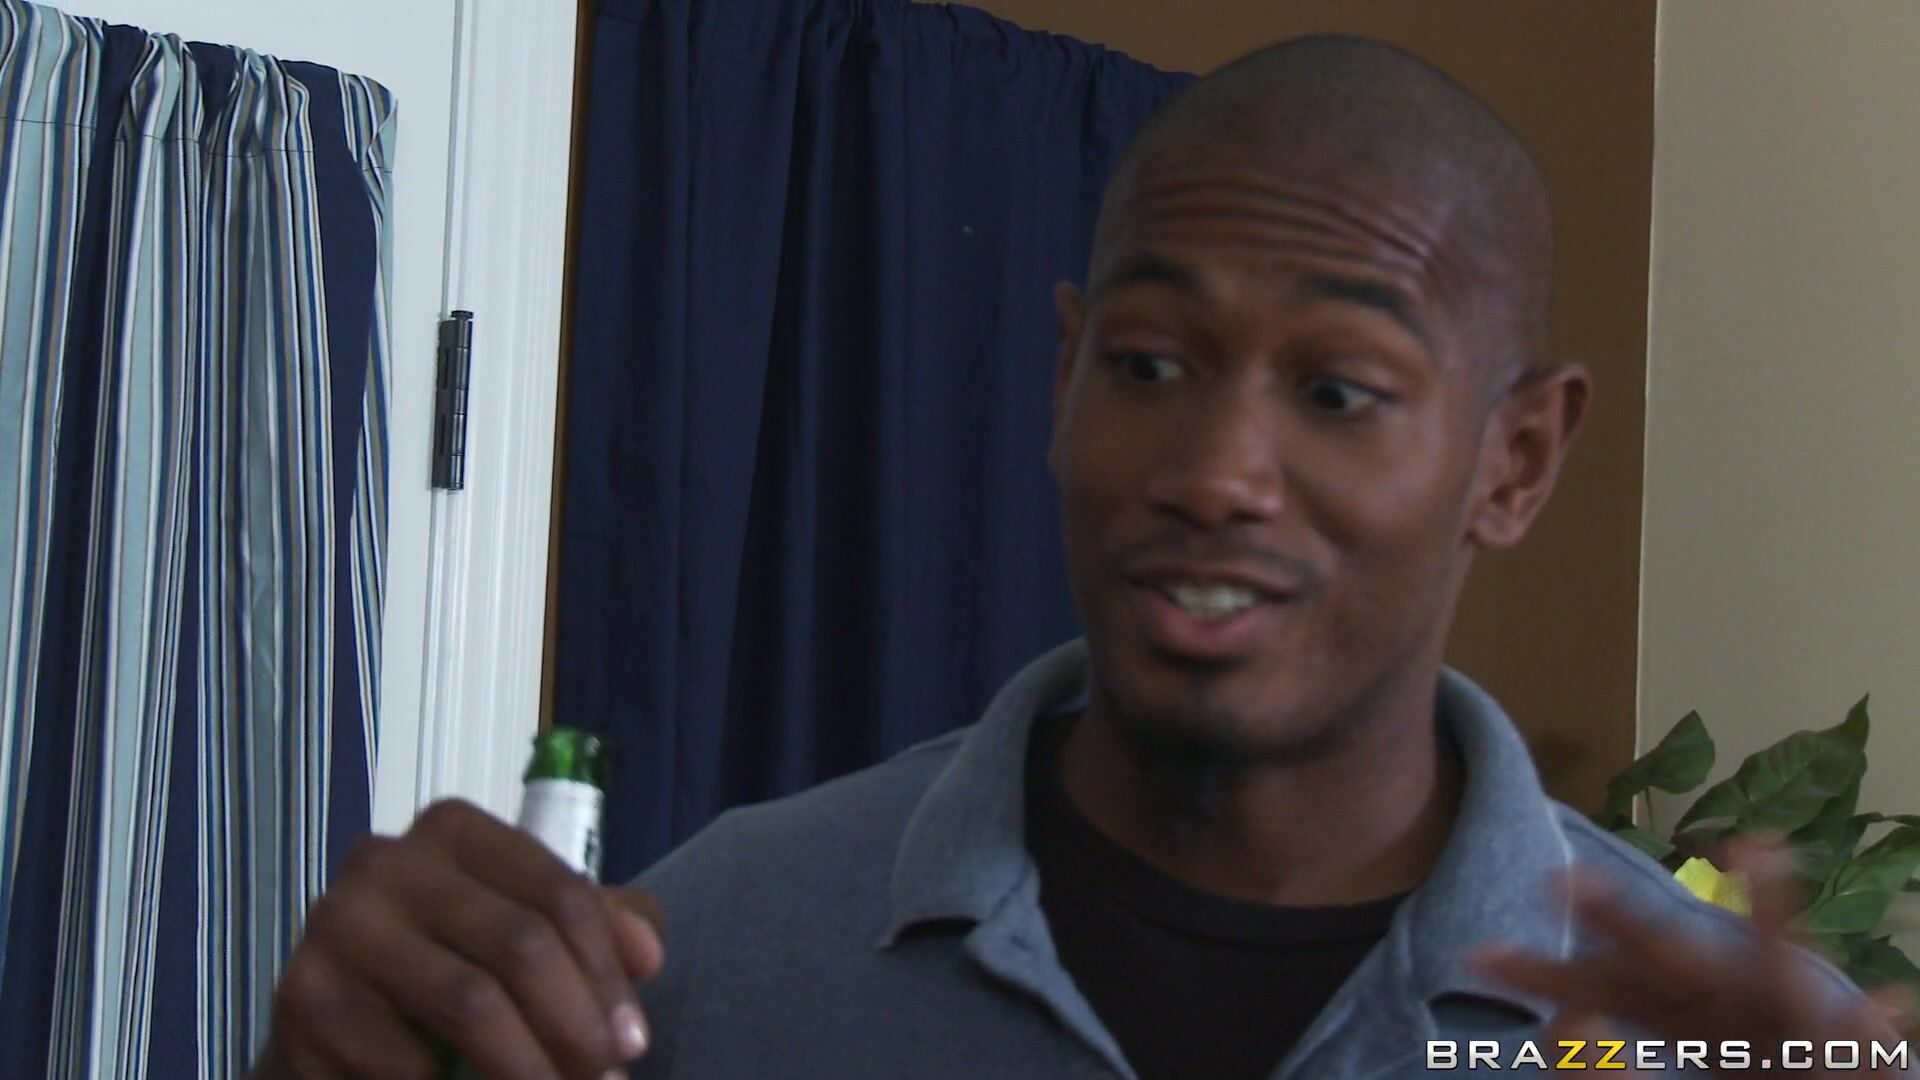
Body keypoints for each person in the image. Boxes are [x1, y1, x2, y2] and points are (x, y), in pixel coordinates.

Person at [255, 35, 1914, 1079]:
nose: (1215, 472)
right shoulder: (708, 955)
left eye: (1339, 391)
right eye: (1148, 364)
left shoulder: (1723, 1042)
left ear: (1517, 459)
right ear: (1062, 382)